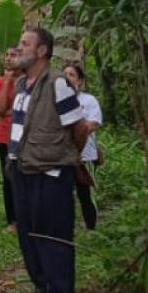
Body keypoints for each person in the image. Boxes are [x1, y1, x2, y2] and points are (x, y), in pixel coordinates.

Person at [8, 29, 89, 293]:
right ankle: (42, 287)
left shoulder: (57, 84)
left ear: (42, 51)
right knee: (28, 234)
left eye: (24, 43)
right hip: (21, 169)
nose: (18, 48)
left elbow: (79, 128)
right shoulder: (21, 84)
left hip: (51, 173)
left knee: (53, 235)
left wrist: (65, 155)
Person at [62, 62, 102, 230]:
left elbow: (93, 123)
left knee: (84, 193)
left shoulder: (88, 100)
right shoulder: (59, 101)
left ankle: (91, 227)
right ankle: (66, 227)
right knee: (64, 193)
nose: (67, 78)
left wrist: (77, 130)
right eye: (64, 75)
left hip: (84, 154)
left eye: (71, 75)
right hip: (63, 155)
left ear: (80, 81)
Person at [0, 47, 21, 233]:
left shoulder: (29, 82)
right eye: (7, 55)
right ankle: (12, 220)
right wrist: (9, 80)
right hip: (4, 136)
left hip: (25, 136)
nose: (9, 58)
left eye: (14, 55)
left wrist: (9, 111)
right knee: (8, 178)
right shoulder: (1, 82)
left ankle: (27, 217)